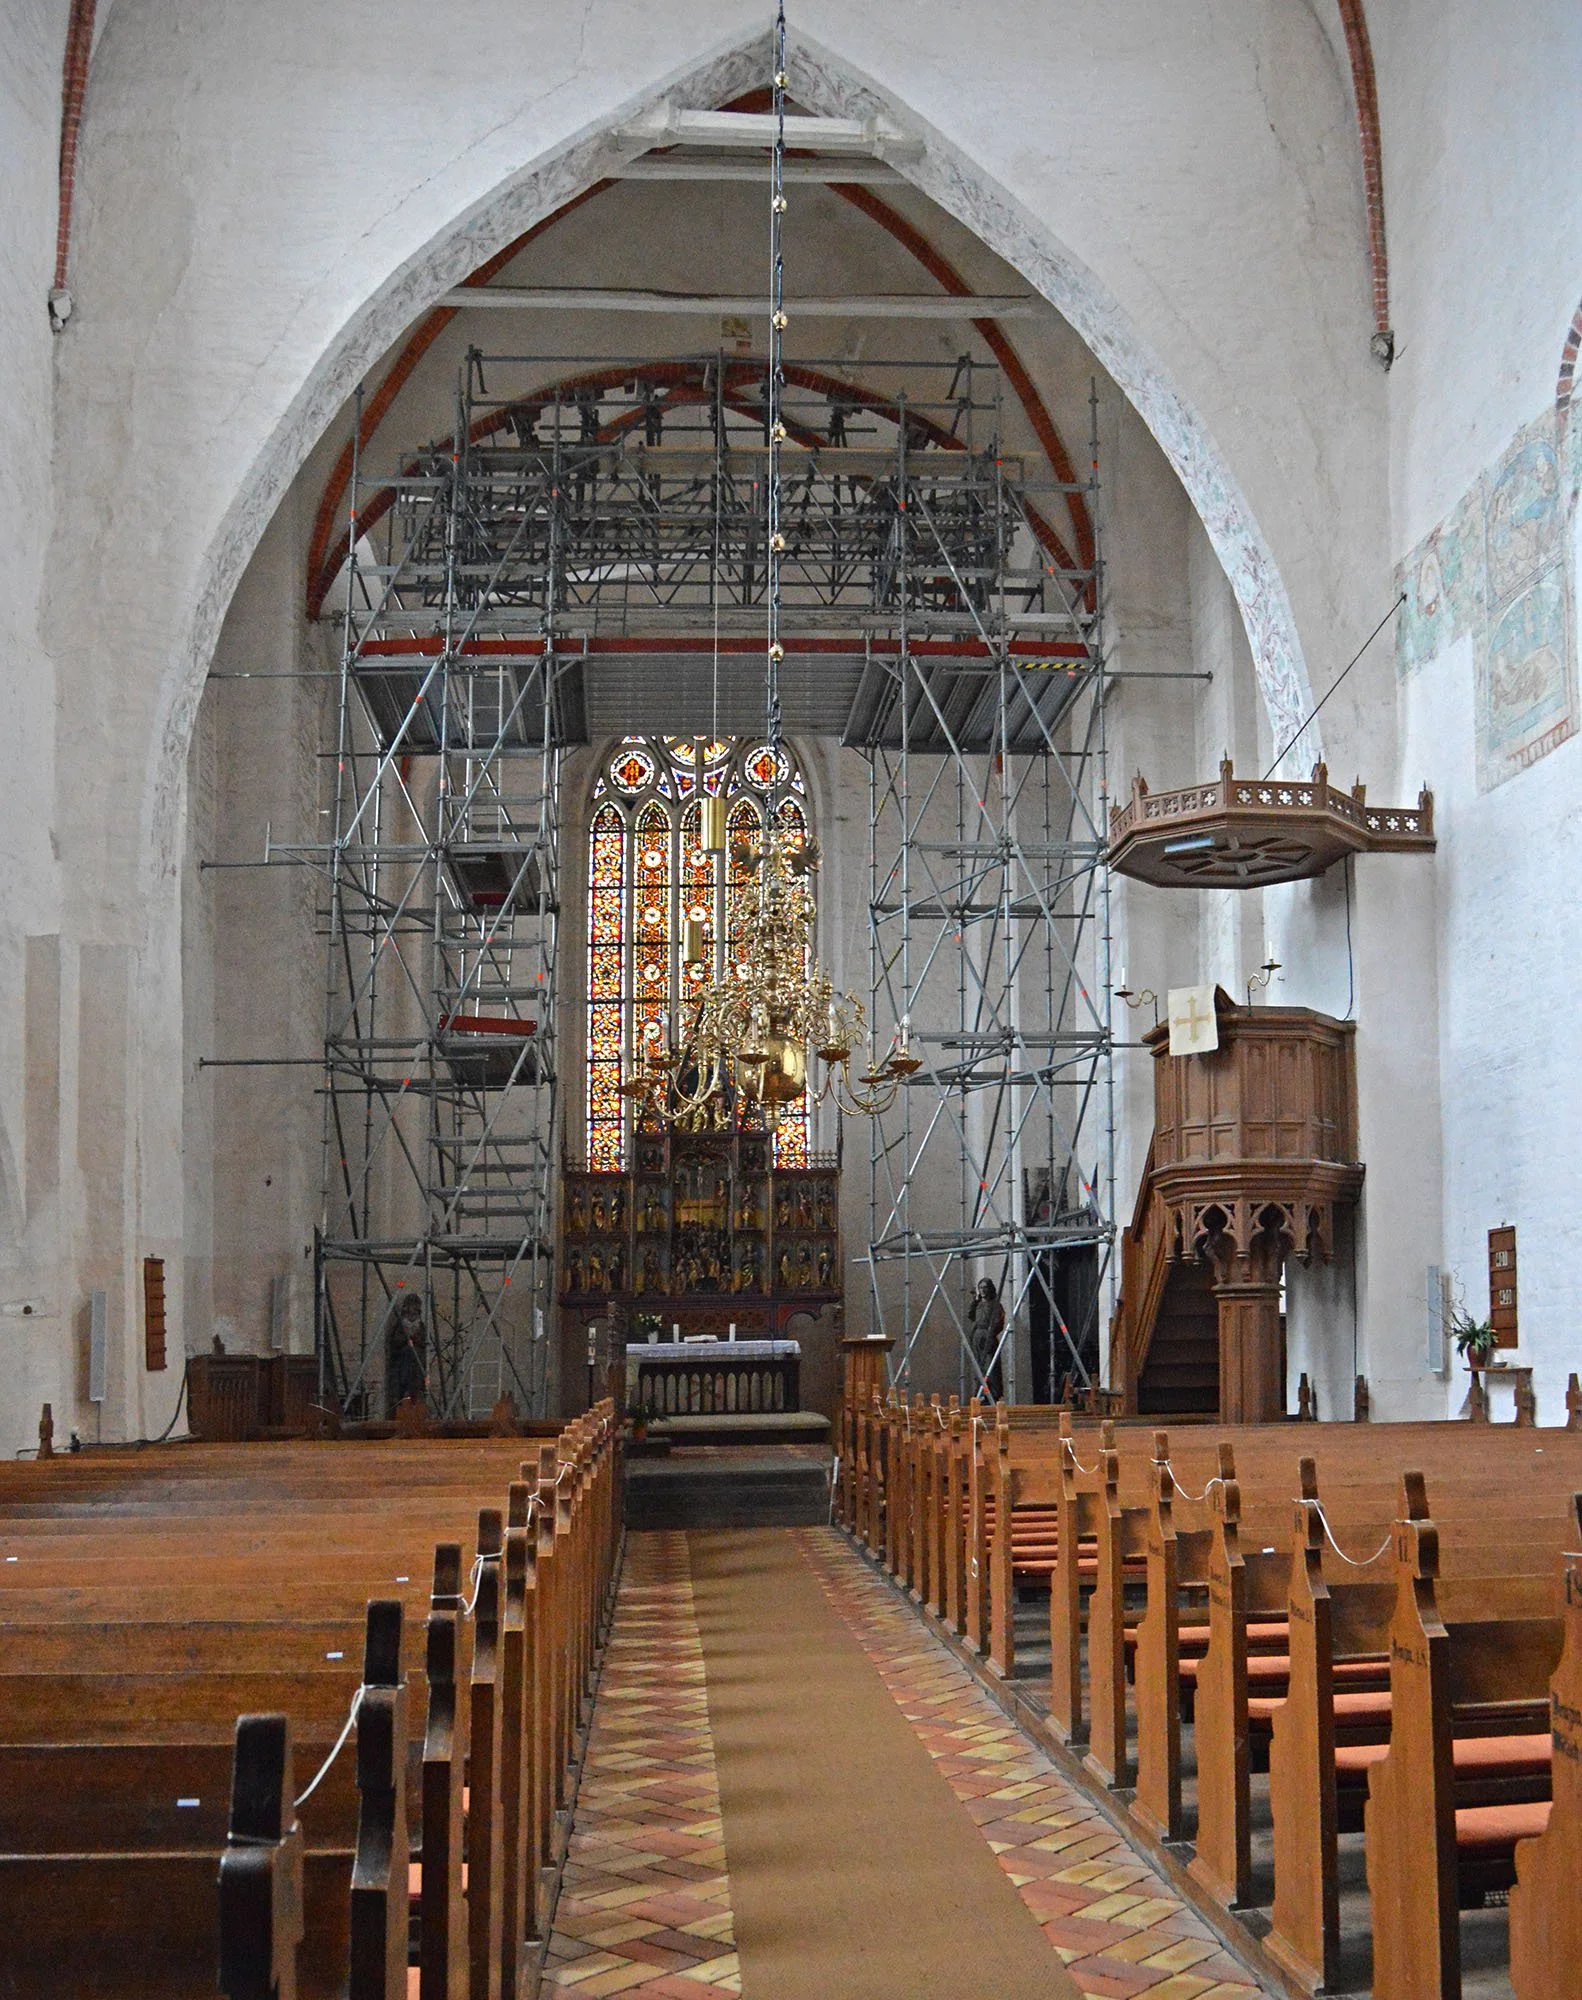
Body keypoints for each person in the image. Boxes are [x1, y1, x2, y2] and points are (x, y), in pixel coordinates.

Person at [386, 1294, 428, 1416]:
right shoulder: (401, 1325)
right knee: (401, 1386)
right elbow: (394, 1341)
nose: (412, 1311)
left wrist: (416, 1340)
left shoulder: (420, 1325)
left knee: (416, 1386)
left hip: (417, 1363)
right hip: (402, 1362)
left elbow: (424, 1342)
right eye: (410, 1307)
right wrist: (406, 1339)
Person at [967, 1278, 1006, 1402]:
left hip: (987, 1336)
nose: (983, 1290)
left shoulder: (995, 1304)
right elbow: (971, 1315)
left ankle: (993, 1393)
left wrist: (991, 1333)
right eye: (981, 1288)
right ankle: (981, 1391)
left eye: (985, 1287)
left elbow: (999, 1321)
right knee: (979, 1366)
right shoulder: (978, 1304)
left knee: (990, 1365)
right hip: (977, 1336)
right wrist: (974, 1300)